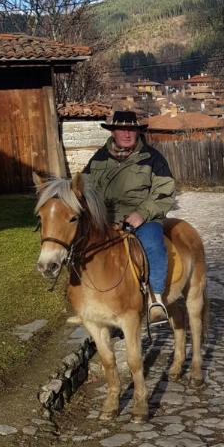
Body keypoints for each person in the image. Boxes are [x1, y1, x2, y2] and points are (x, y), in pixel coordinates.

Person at [83, 110, 177, 324]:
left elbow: (165, 192)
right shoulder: (98, 159)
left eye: (131, 129)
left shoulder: (153, 158)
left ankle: (156, 298)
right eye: (121, 129)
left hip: (142, 218)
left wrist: (142, 213)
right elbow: (84, 188)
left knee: (153, 244)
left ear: (137, 132)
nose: (126, 134)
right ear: (113, 132)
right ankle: (88, 296)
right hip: (105, 219)